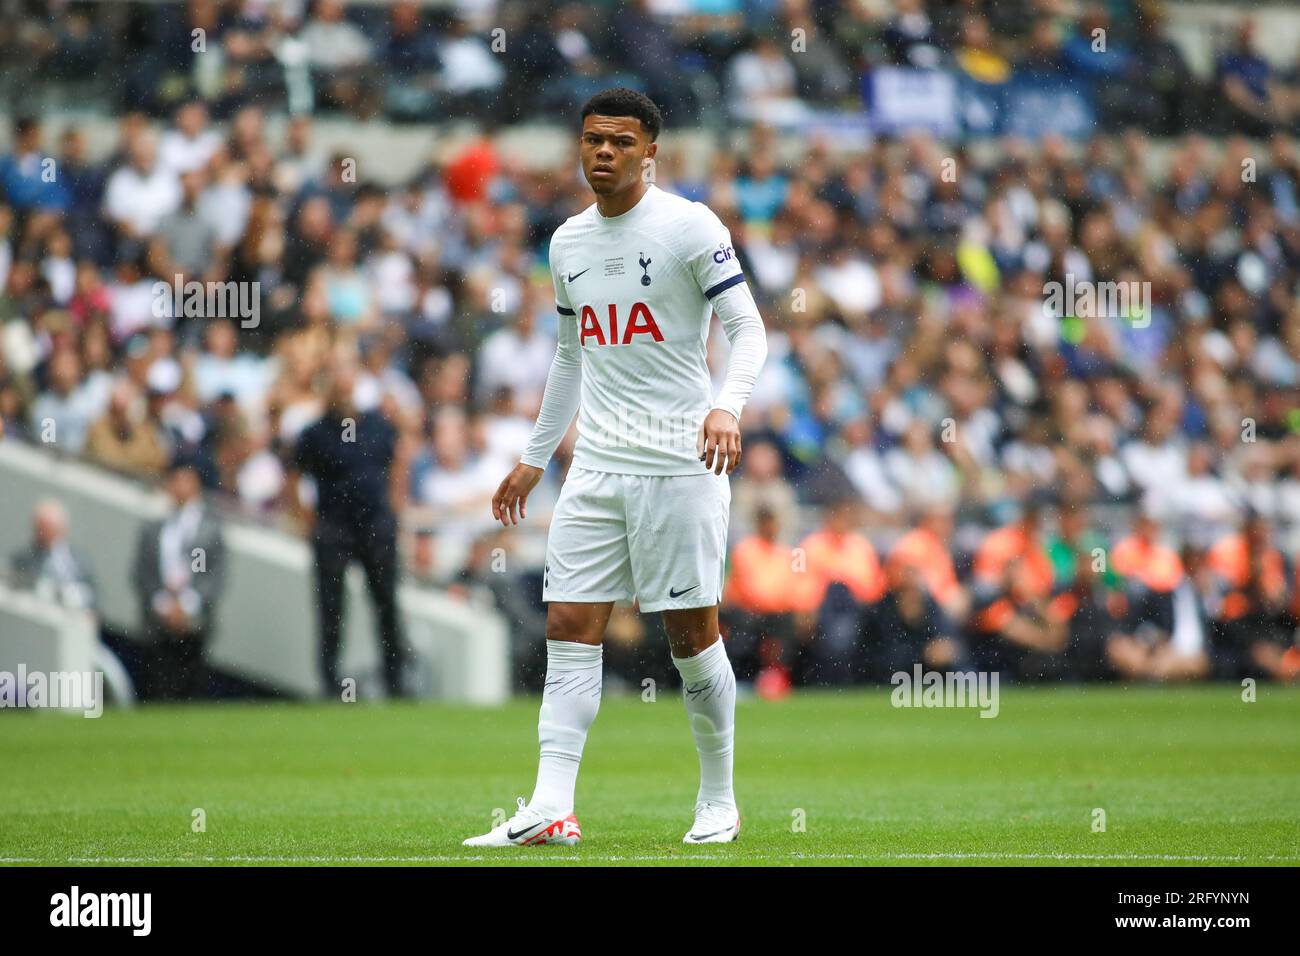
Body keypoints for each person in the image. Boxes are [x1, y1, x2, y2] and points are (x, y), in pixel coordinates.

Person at [465, 89, 768, 848]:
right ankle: (550, 806)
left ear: (650, 152)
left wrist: (726, 406)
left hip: (678, 461)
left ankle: (719, 800)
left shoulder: (689, 227)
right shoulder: (567, 242)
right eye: (593, 139)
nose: (604, 152)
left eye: (621, 142)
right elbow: (570, 356)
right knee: (568, 623)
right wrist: (534, 459)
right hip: (596, 465)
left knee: (691, 637)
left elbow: (748, 328)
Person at [288, 362, 409, 698]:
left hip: (375, 525)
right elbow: (294, 474)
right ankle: (330, 684)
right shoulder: (314, 433)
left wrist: (395, 508)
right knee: (330, 608)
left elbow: (398, 461)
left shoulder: (377, 426)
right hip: (334, 527)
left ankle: (395, 680)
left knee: (386, 604)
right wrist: (306, 519)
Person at [131, 454, 226, 700]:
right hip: (158, 621)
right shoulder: (156, 528)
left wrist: (186, 605)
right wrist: (163, 604)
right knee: (157, 686)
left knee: (190, 688)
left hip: (194, 623)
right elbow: (143, 573)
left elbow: (212, 576)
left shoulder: (209, 530)